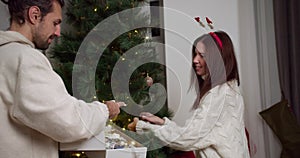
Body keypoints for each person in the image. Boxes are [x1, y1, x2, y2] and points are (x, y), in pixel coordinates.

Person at [0, 0, 121, 157]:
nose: (58, 32)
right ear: (34, 15)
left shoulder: (5, 54)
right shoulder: (25, 59)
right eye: (55, 23)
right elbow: (69, 121)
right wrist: (105, 110)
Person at [128, 31, 250, 158]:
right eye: (195, 54)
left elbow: (186, 138)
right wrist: (163, 123)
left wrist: (143, 127)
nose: (195, 60)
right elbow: (196, 132)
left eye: (202, 55)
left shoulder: (218, 95)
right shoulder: (230, 89)